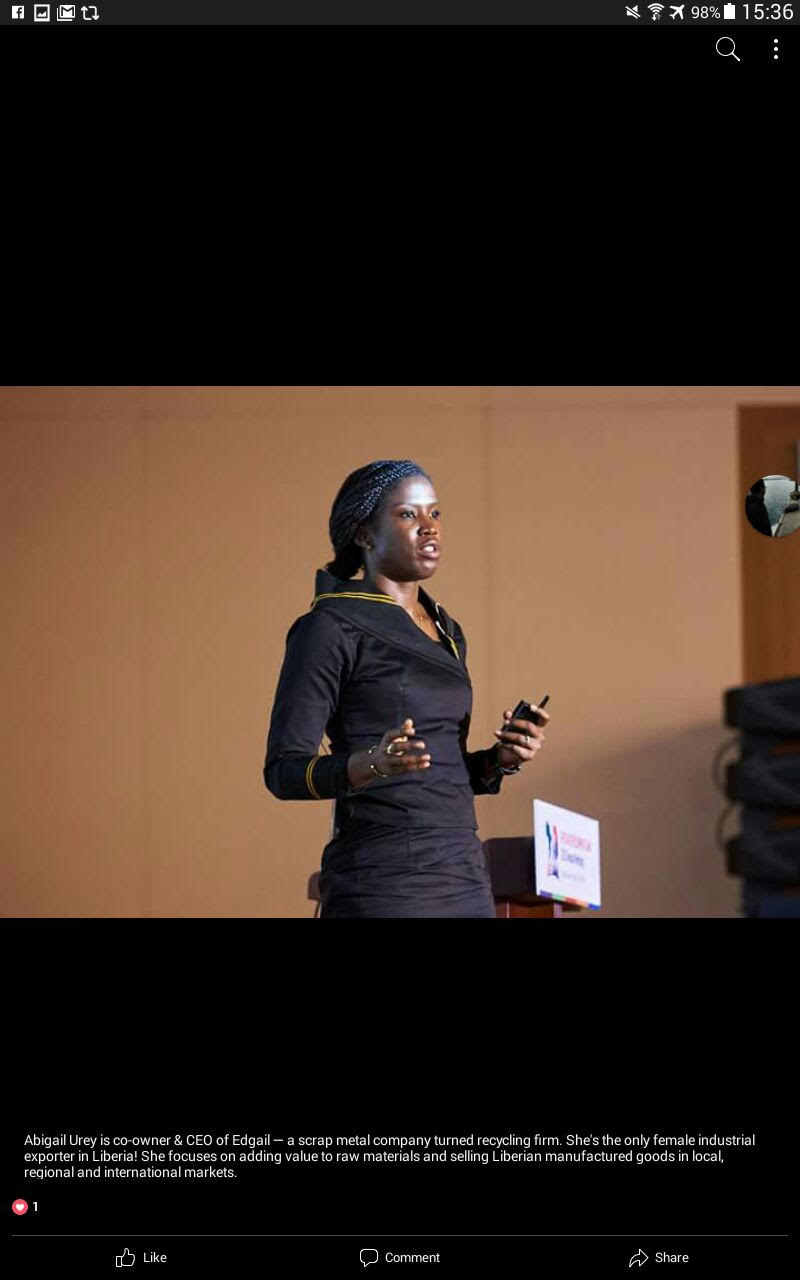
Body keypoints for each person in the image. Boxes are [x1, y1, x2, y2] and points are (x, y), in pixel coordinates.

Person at [263, 459, 549, 918]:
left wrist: (500, 760)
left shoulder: (447, 631)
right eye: (408, 514)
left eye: (434, 513)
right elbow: (283, 771)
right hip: (384, 878)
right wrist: (372, 764)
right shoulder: (329, 627)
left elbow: (436, 771)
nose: (429, 527)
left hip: (463, 874)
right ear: (364, 534)